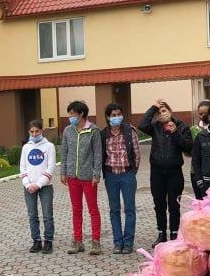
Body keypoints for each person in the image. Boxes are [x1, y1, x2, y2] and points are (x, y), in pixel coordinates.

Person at [139, 99, 193, 246]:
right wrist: (152, 108)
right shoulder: (155, 126)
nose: (162, 114)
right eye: (159, 112)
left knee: (174, 205)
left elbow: (188, 146)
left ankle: (174, 234)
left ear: (170, 111)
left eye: (164, 111)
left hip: (174, 171)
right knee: (159, 204)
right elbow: (142, 125)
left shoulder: (181, 126)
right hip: (157, 172)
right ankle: (161, 234)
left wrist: (175, 132)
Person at [60, 100, 103, 255]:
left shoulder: (93, 131)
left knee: (93, 210)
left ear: (82, 114)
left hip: (88, 177)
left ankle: (96, 242)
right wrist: (63, 172)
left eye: (73, 113)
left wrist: (96, 174)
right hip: (72, 177)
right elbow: (64, 153)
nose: (70, 116)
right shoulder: (67, 131)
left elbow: (98, 154)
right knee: (76, 210)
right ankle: (77, 241)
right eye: (69, 114)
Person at [100, 103, 140, 255]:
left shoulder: (129, 131)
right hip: (111, 176)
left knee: (129, 209)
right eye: (113, 115)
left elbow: (137, 154)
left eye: (118, 114)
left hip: (127, 174)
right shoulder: (104, 134)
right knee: (114, 210)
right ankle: (118, 242)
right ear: (108, 117)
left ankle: (128, 242)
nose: (116, 117)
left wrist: (132, 171)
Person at [20, 119, 56, 254]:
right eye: (32, 131)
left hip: (45, 186)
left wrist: (38, 184)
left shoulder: (49, 146)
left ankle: (48, 242)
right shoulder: (26, 147)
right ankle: (36, 241)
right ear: (29, 132)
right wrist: (28, 184)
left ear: (42, 131)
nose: (34, 134)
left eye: (37, 131)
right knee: (32, 215)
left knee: (47, 215)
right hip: (29, 187)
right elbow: (22, 168)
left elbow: (51, 168)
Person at [190, 100, 210, 197]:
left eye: (205, 113)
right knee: (200, 201)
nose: (203, 115)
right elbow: (188, 151)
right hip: (196, 171)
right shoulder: (193, 129)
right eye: (200, 113)